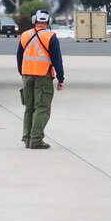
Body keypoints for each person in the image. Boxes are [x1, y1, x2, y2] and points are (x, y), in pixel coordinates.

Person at [16, 9, 65, 149]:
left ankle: (27, 138)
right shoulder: (50, 37)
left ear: (34, 20)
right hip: (43, 76)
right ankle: (36, 140)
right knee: (42, 108)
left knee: (29, 108)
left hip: (27, 76)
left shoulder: (25, 35)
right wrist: (60, 79)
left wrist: (23, 73)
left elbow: (19, 57)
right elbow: (57, 61)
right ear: (48, 22)